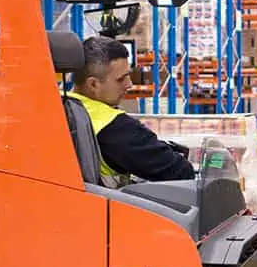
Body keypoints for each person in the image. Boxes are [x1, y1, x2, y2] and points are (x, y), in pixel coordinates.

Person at [66, 36, 196, 185]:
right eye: (121, 79)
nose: (129, 84)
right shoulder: (114, 126)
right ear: (93, 84)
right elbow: (180, 171)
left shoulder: (63, 105)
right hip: (107, 204)